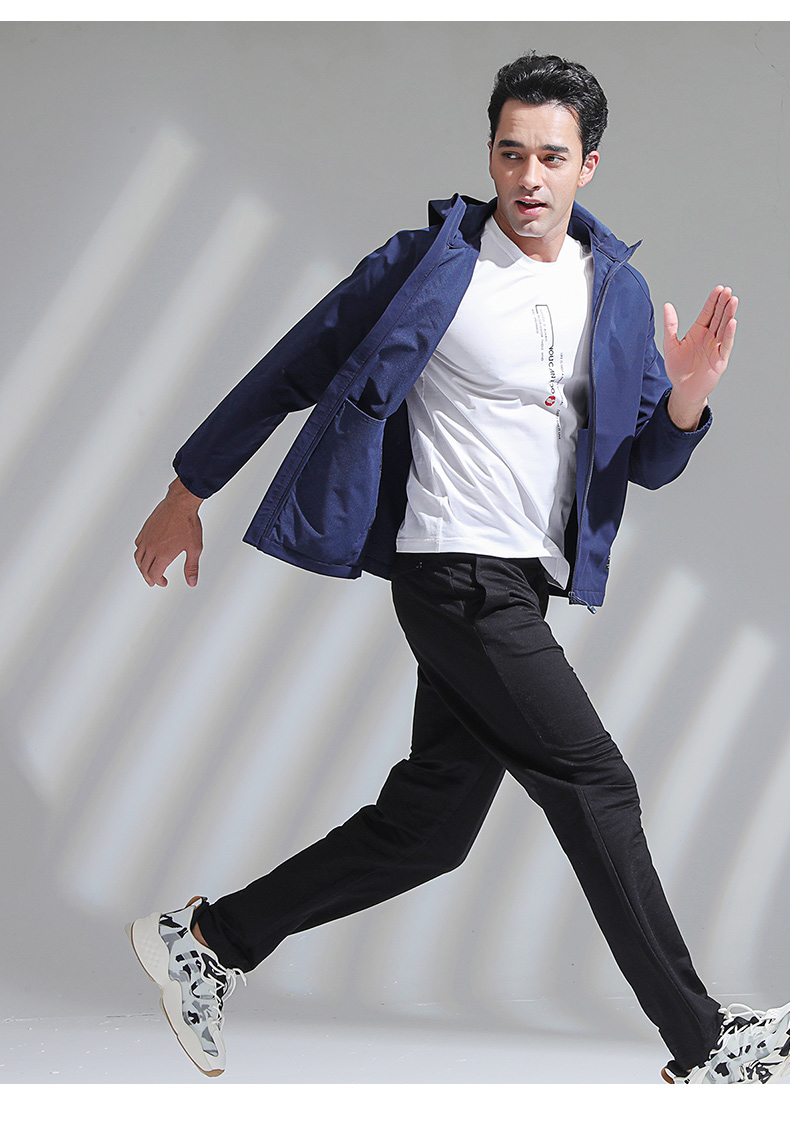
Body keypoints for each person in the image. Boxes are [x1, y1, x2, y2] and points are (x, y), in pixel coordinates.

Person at [127, 52, 790, 1084]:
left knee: (429, 828)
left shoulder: (613, 291)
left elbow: (647, 462)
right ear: (490, 155)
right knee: (595, 780)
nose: (528, 176)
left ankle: (207, 940)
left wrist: (689, 396)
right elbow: (291, 366)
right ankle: (702, 1042)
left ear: (587, 166)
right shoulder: (425, 266)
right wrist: (188, 486)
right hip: (451, 572)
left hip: (518, 585)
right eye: (510, 152)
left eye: (551, 157)